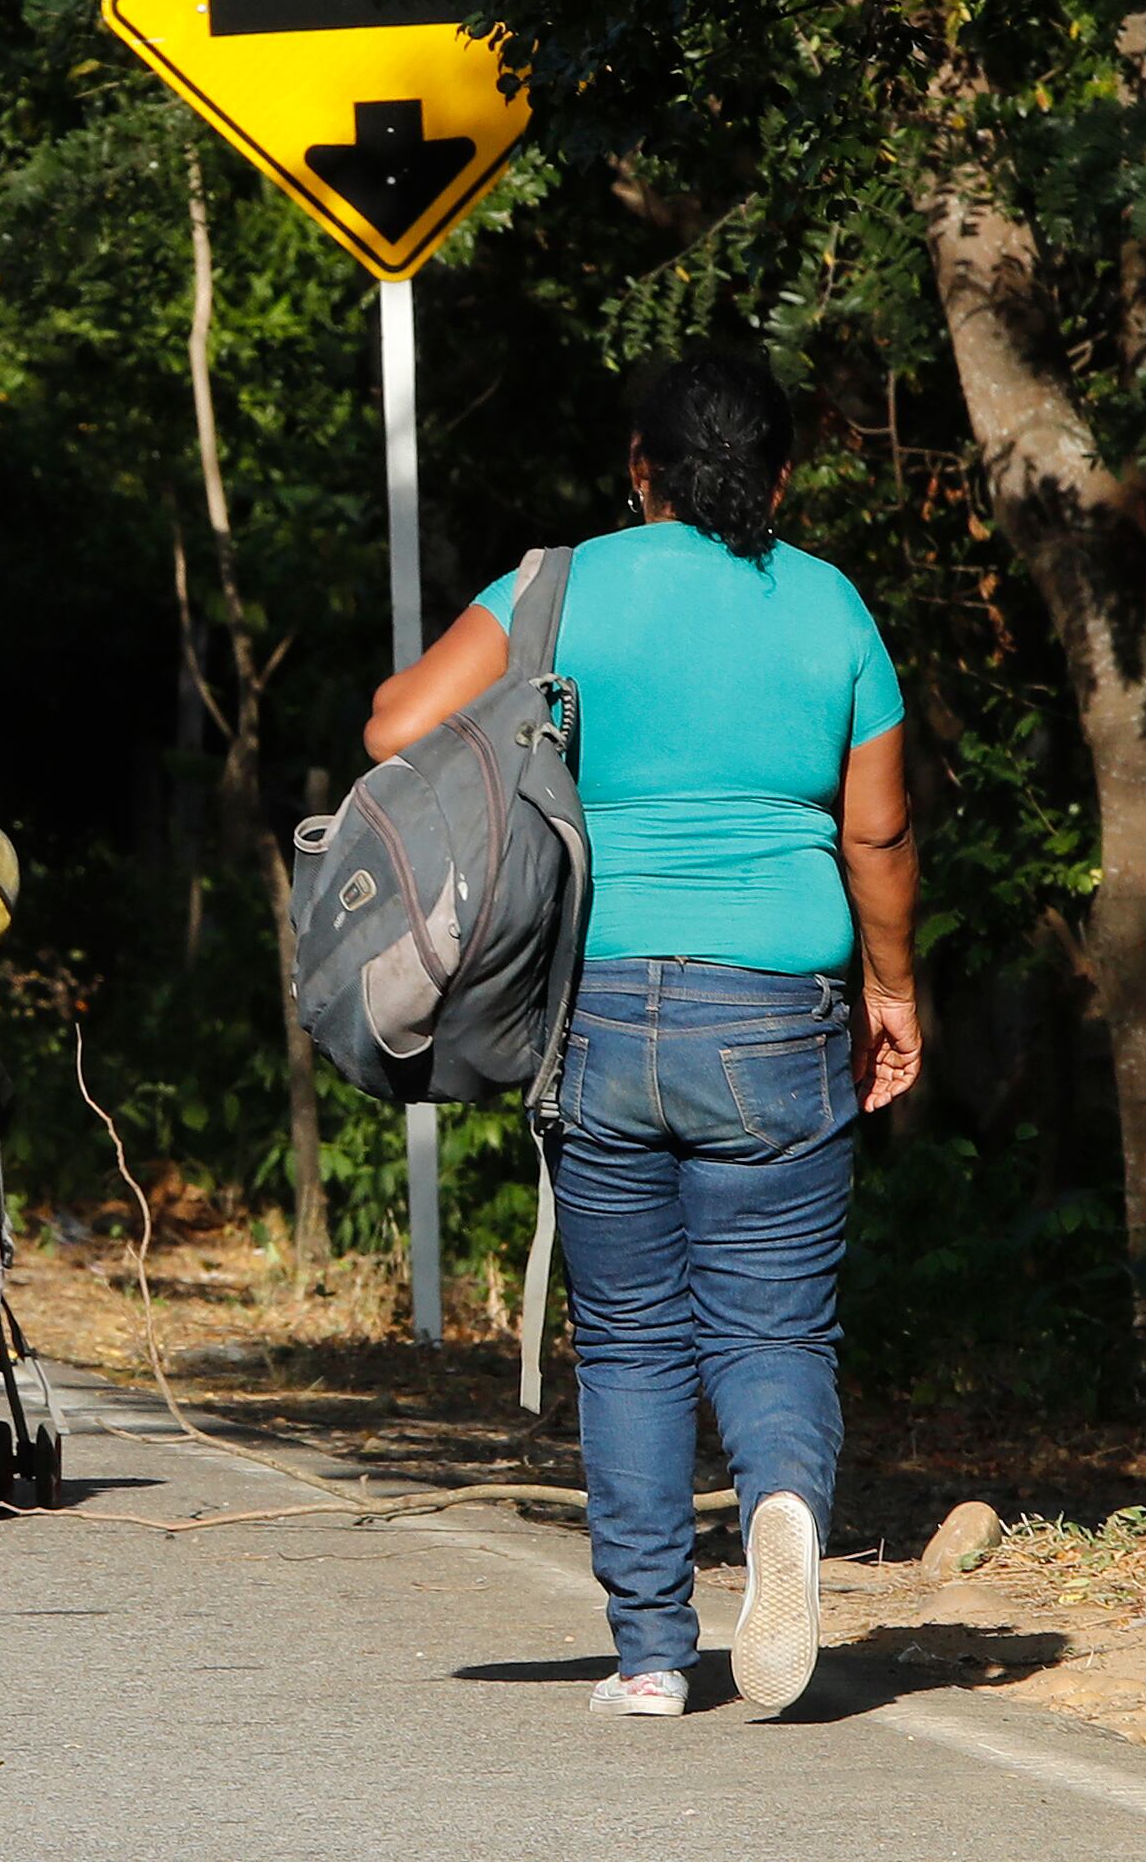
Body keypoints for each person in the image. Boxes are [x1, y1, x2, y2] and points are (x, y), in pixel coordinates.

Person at [360, 351, 923, 1718]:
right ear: (778, 478)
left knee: (623, 1340)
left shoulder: (563, 587)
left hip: (600, 1001)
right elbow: (876, 832)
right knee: (775, 1324)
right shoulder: (831, 606)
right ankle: (779, 1509)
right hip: (778, 1004)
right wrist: (891, 991)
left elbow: (391, 727)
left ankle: (652, 1656)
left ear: (636, 467)